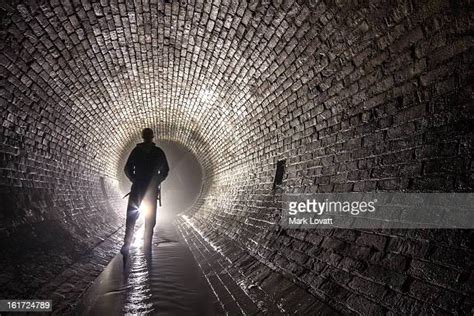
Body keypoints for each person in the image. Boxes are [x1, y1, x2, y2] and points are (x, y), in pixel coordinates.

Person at [121, 128, 169, 255]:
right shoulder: (158, 152)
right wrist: (158, 180)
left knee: (132, 215)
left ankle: (127, 243)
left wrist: (134, 179)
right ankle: (147, 243)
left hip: (138, 187)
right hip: (151, 189)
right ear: (152, 137)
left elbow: (127, 168)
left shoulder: (137, 151)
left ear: (142, 137)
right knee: (150, 217)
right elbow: (165, 170)